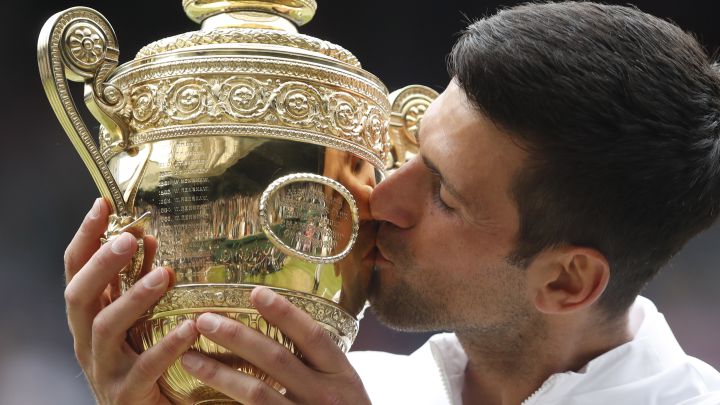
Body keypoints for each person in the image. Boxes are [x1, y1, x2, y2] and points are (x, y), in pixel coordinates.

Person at [62, 2, 720, 404]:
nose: (379, 195)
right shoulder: (334, 389)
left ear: (566, 279)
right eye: (413, 151)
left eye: (443, 192)